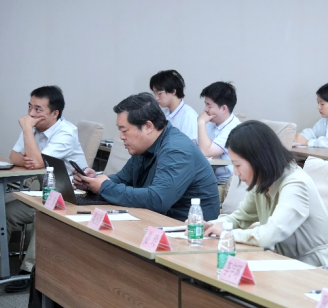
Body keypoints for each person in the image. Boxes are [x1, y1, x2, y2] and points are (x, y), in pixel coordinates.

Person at [203, 121, 328, 266]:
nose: (235, 172)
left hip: (318, 268)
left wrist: (227, 233)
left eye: (238, 165)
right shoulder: (262, 182)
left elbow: (268, 236)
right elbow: (239, 218)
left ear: (257, 159)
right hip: (285, 263)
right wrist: (211, 226)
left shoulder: (296, 183)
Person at [73, 93, 220, 222]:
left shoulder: (176, 149)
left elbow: (158, 199)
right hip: (156, 220)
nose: (121, 137)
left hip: (188, 230)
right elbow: (122, 179)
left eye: (124, 130)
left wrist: (105, 187)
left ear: (148, 127)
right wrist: (94, 182)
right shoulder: (144, 147)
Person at [4, 86, 87, 293]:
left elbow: (38, 163)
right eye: (30, 107)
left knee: (44, 214)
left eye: (38, 109)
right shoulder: (35, 126)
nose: (31, 114)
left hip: (70, 198)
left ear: (54, 113)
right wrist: (32, 158)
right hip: (43, 194)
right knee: (5, 214)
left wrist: (26, 130)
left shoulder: (66, 132)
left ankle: (29, 271)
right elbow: (14, 157)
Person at [196, 82, 242, 191]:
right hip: (209, 178)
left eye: (209, 105)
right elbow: (196, 147)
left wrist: (201, 123)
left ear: (224, 108)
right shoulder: (212, 122)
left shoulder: (234, 128)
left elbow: (206, 152)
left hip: (226, 183)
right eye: (205, 104)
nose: (205, 109)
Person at [150, 69, 199, 141]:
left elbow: (191, 145)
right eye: (155, 93)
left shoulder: (188, 116)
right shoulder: (165, 113)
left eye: (159, 93)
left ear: (173, 91)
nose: (156, 97)